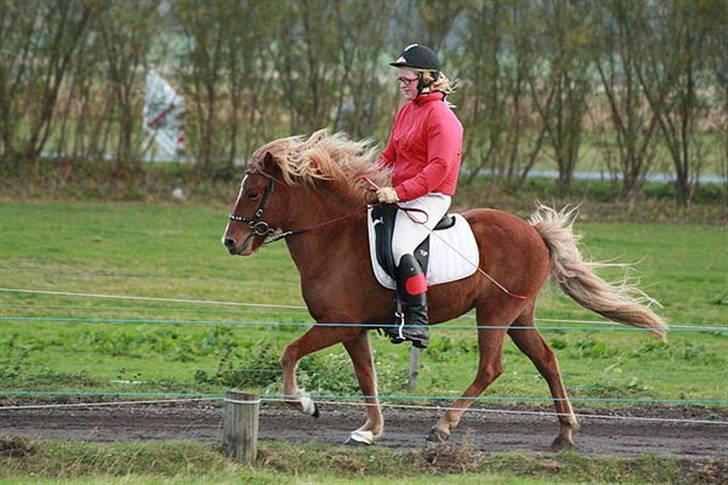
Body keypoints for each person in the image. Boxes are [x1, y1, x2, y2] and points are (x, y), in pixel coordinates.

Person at [372, 44, 463, 349]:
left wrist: (398, 192)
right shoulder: (407, 110)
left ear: (426, 78)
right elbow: (389, 155)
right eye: (400, 80)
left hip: (430, 196)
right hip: (399, 192)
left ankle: (417, 320)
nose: (402, 85)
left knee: (400, 246)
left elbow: (438, 169)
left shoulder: (443, 119)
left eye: (406, 80)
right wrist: (368, 179)